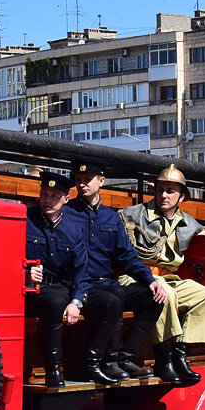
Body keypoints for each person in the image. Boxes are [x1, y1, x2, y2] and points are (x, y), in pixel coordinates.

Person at [119, 164, 205, 385]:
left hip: (169, 278)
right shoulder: (131, 215)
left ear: (181, 196)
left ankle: (180, 354)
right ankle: (163, 357)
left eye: (170, 191)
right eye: (160, 189)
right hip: (135, 277)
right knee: (165, 294)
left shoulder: (188, 222)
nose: (164, 195)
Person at [68, 158, 166, 384]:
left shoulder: (111, 217)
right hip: (80, 286)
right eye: (79, 180)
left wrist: (149, 279)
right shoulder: (67, 213)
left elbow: (127, 255)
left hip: (106, 284)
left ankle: (124, 356)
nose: (82, 184)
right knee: (114, 296)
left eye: (87, 180)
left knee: (155, 298)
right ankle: (107, 362)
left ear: (101, 181)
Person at [25, 173, 89, 388]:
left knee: (57, 300)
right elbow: (6, 256)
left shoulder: (73, 228)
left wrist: (76, 302)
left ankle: (54, 367)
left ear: (66, 200)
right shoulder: (26, 220)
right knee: (52, 302)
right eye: (44, 194)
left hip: (59, 288)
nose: (47, 200)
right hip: (27, 289)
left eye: (54, 195)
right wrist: (24, 272)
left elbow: (81, 270)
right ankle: (50, 367)